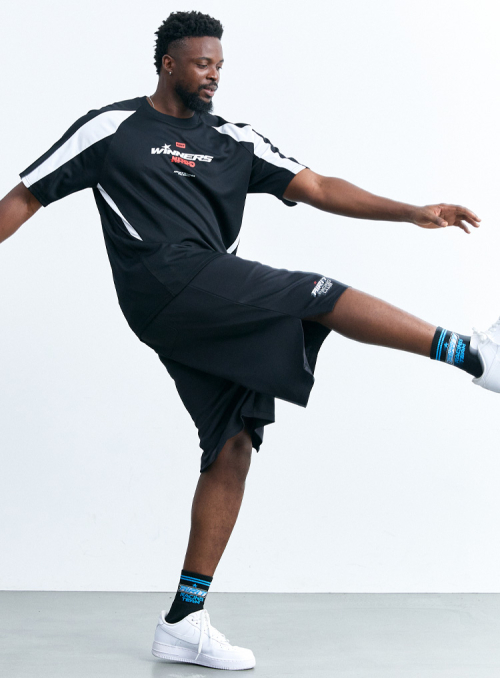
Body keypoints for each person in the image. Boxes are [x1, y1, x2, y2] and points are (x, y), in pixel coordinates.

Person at [1, 9, 498, 672]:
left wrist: (411, 212)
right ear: (168, 64)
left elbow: (318, 186)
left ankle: (183, 621)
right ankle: (473, 354)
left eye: (220, 66)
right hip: (160, 281)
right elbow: (23, 199)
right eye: (202, 64)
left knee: (233, 443)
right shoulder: (113, 129)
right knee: (316, 293)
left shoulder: (234, 140)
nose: (213, 76)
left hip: (205, 299)